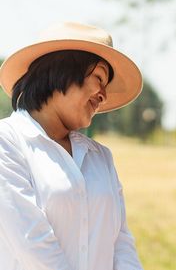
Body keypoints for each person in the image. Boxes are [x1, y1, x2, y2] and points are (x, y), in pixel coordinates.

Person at [0, 22, 144, 270]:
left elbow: (120, 243)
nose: (103, 94)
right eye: (99, 78)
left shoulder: (101, 157)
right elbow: (33, 246)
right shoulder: (7, 142)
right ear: (61, 70)